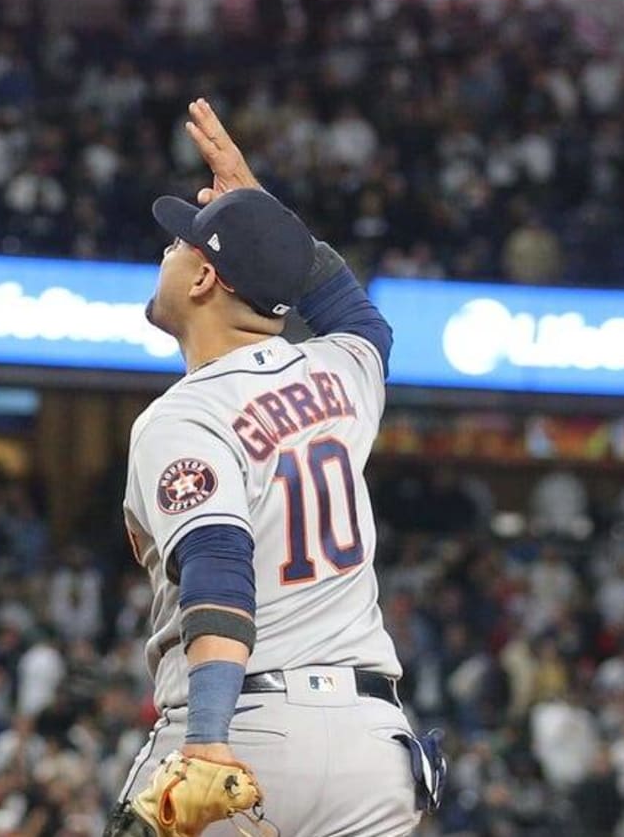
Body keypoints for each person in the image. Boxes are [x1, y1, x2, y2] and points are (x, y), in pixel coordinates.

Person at [105, 100, 443, 837]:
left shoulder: (183, 416)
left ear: (203, 283)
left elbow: (219, 568)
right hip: (371, 750)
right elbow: (361, 321)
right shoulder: (339, 371)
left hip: (250, 729)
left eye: (180, 247)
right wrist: (263, 215)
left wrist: (206, 742)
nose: (168, 252)